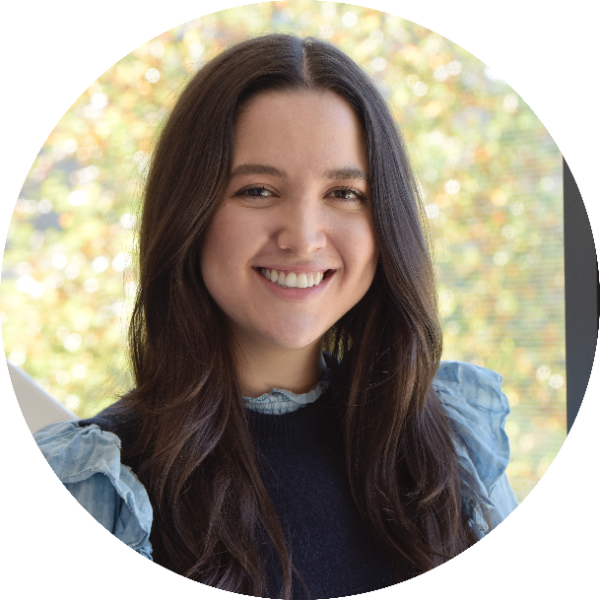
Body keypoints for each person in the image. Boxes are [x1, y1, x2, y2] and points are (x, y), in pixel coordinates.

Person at [32, 33, 519, 599]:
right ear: (189, 214)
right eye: (258, 190)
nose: (303, 238)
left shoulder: (451, 449)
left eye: (344, 193)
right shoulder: (98, 488)